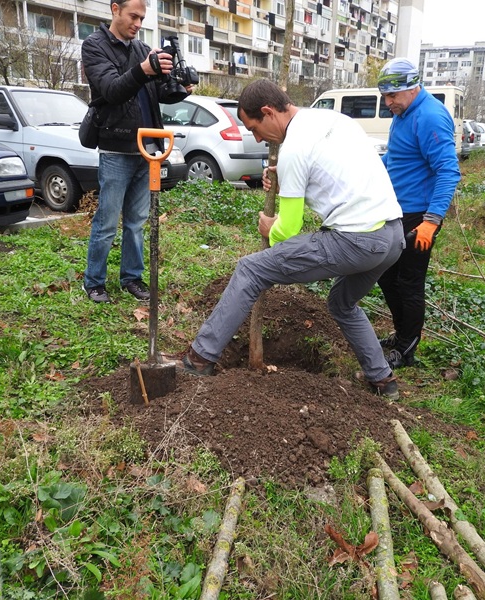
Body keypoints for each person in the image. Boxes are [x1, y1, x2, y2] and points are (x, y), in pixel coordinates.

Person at [182, 79, 405, 398]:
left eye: (254, 128)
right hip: (392, 237)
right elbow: (334, 172)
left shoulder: (293, 150)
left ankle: (200, 358)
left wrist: (268, 227)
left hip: (358, 240)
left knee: (251, 269)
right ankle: (383, 380)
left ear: (268, 112)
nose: (257, 138)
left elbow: (287, 229)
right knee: (342, 303)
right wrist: (286, 178)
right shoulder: (333, 120)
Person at [80, 0, 190, 303]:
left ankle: (132, 278)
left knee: (136, 221)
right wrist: (144, 70)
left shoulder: (143, 50)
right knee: (107, 220)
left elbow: (156, 92)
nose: (138, 23)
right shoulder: (95, 46)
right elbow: (111, 90)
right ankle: (94, 282)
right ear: (115, 9)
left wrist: (179, 87)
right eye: (133, 16)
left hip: (148, 147)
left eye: (142, 18)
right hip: (116, 147)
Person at [373, 57, 461, 369]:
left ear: (412, 89)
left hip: (420, 216)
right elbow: (397, 157)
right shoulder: (404, 112)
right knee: (386, 274)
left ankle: (406, 349)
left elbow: (448, 172)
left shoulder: (431, 117)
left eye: (392, 96)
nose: (388, 102)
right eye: (385, 96)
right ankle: (401, 334)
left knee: (409, 282)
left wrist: (431, 221)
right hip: (397, 210)